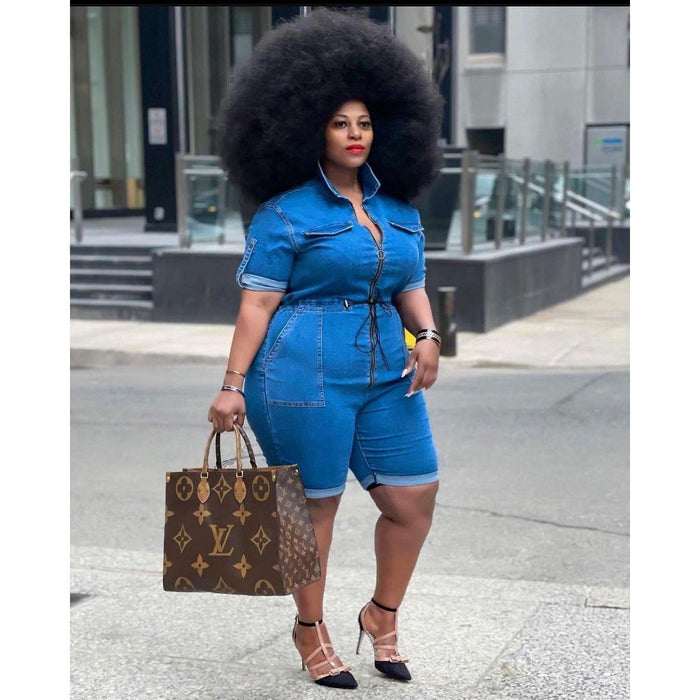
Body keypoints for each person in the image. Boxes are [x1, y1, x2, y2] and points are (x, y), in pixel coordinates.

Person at [208, 8, 444, 690]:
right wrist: (231, 384)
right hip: (298, 371)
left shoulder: (399, 211)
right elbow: (257, 303)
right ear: (311, 127)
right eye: (341, 123)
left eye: (365, 122)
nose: (355, 134)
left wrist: (428, 335)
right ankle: (310, 629)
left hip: (387, 369)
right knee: (314, 507)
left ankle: (381, 614)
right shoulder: (285, 214)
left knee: (414, 498)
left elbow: (410, 283)